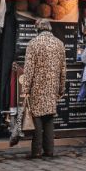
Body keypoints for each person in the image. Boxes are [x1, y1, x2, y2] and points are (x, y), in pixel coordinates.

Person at [19, 19, 67, 159]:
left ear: (37, 29)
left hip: (37, 87)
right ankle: (49, 150)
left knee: (37, 118)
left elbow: (28, 70)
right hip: (52, 87)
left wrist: (25, 88)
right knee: (49, 117)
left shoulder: (33, 44)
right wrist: (61, 88)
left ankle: (36, 150)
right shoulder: (59, 44)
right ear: (49, 29)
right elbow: (63, 69)